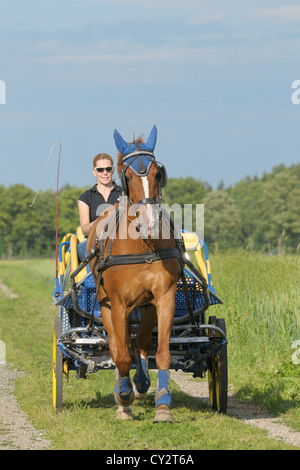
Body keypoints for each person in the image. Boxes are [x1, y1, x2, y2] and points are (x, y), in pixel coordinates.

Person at [77, 153, 123, 260]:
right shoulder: (86, 197)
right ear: (94, 171)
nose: (105, 173)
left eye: (108, 169)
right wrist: (103, 220)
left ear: (113, 170)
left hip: (120, 243)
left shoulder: (124, 194)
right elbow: (84, 229)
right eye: (100, 170)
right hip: (93, 243)